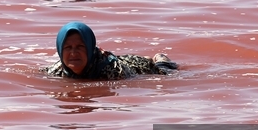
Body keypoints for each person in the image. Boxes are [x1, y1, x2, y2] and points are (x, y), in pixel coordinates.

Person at [47, 21, 178, 80]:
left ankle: (159, 60)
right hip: (106, 58)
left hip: (136, 66)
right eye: (68, 48)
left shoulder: (113, 72)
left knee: (166, 71)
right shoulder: (56, 70)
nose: (74, 53)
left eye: (80, 47)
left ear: (89, 47)